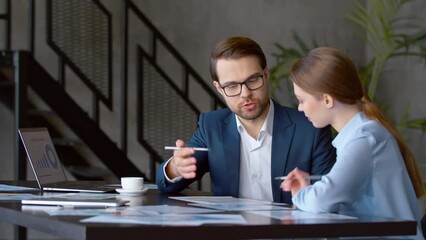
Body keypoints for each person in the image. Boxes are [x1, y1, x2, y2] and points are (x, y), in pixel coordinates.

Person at [156, 36, 336, 204]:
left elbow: (329, 199)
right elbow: (167, 184)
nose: (245, 94)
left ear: (266, 74)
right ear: (219, 88)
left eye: (253, 80)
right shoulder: (211, 126)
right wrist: (175, 168)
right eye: (232, 86)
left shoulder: (310, 127)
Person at [281, 47, 424, 238]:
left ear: (326, 100)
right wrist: (309, 188)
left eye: (301, 100)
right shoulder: (362, 135)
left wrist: (302, 194)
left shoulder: (365, 139)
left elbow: (323, 200)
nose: (299, 108)